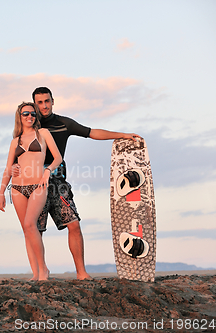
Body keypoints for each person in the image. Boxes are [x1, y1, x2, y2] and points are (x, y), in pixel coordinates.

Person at [13, 87, 141, 280]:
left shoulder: (64, 123)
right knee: (32, 229)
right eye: (39, 102)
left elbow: (91, 132)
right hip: (32, 183)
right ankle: (38, 274)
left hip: (56, 182)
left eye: (47, 101)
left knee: (73, 223)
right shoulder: (27, 124)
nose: (44, 106)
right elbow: (17, 153)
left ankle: (81, 272)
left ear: (53, 101)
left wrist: (121, 135)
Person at [0, 102, 62, 281]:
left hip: (38, 185)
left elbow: (57, 158)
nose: (29, 117)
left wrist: (47, 171)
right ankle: (35, 273)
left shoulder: (43, 134)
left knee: (30, 224)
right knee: (26, 229)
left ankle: (44, 270)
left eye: (33, 114)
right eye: (25, 114)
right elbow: (8, 168)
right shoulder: (14, 141)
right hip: (17, 188)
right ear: (19, 116)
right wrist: (1, 193)